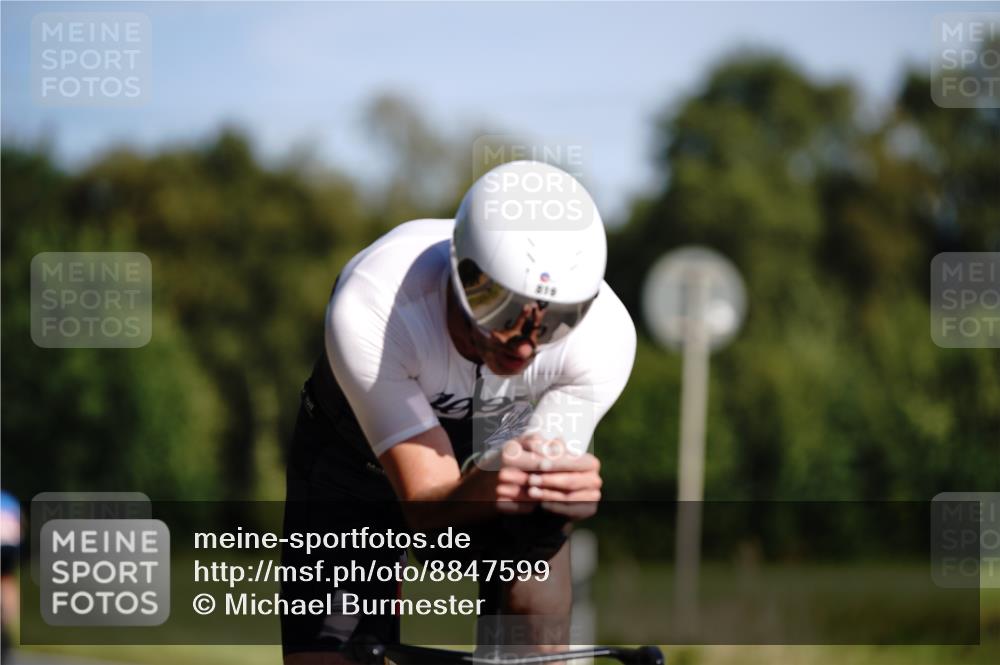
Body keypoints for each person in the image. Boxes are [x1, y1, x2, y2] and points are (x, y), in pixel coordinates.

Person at [281, 160, 636, 664]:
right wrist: (494, 480)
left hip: (500, 435)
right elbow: (428, 512)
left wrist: (556, 493)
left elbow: (532, 505)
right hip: (354, 449)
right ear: (457, 269)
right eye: (502, 309)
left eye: (556, 320)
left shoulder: (603, 337)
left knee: (538, 559)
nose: (524, 344)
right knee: (328, 651)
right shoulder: (374, 304)